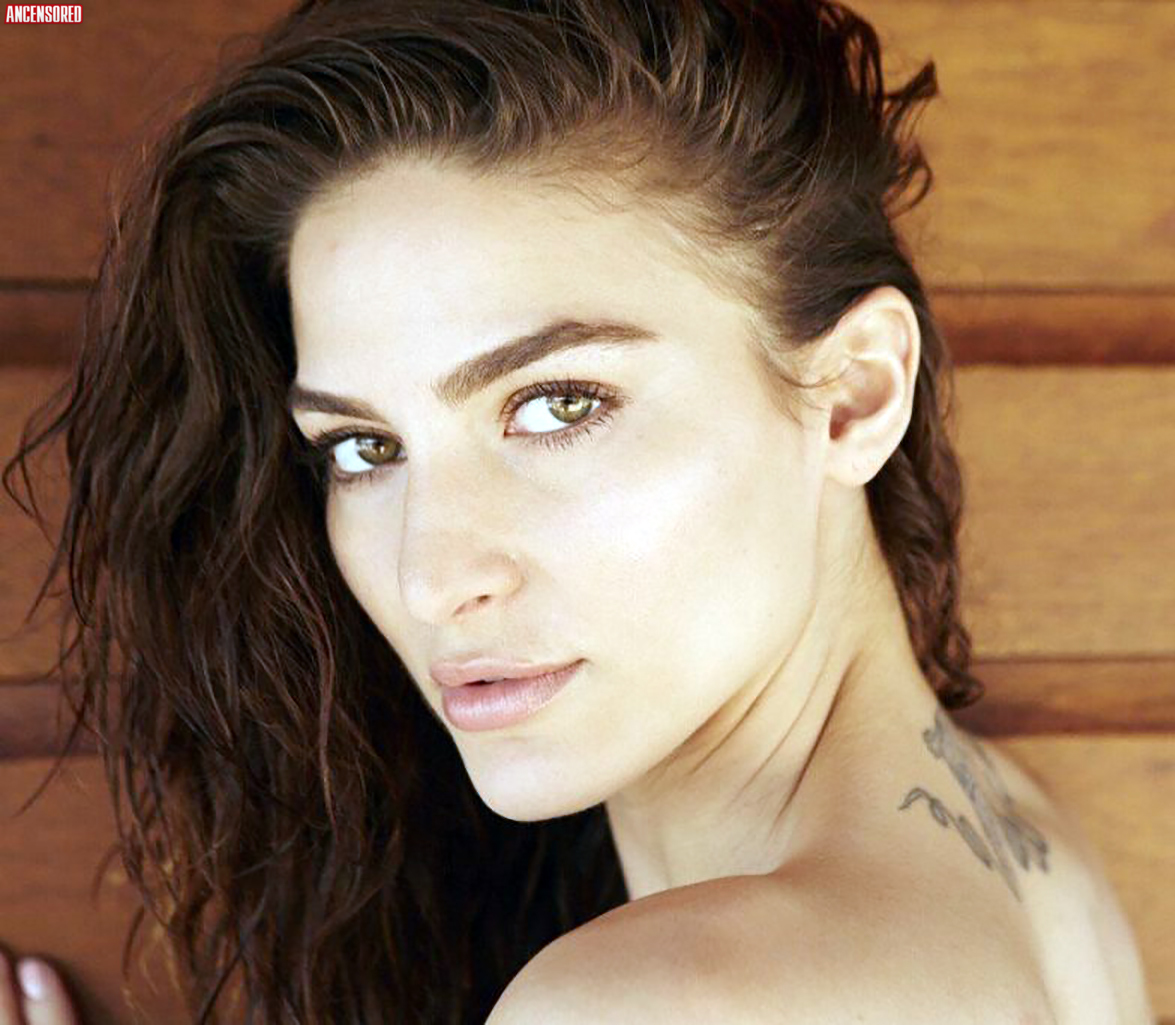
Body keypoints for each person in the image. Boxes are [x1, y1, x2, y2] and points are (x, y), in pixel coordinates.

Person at [1, 1, 1155, 1022]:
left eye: (558, 405)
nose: (428, 577)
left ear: (852, 394)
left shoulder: (649, 1000)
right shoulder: (1021, 848)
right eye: (363, 447)